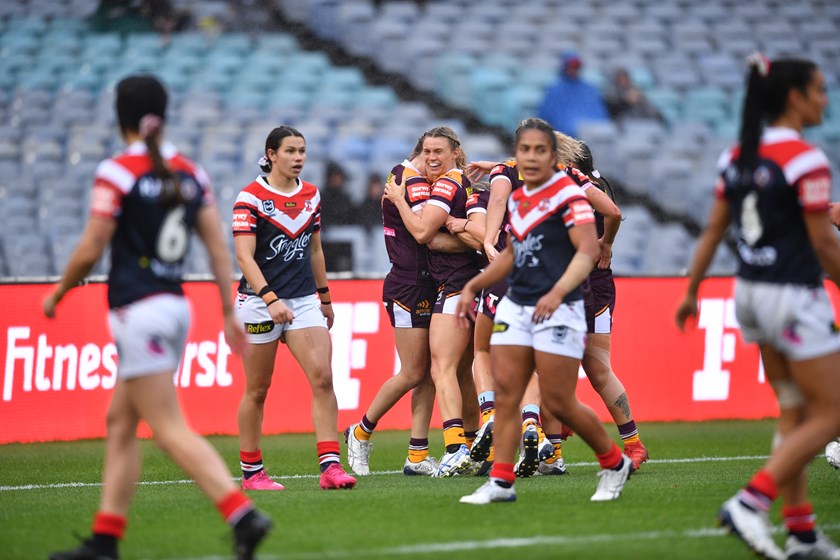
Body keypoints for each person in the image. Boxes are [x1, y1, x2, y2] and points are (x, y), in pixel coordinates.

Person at [43, 75, 272, 560]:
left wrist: (59, 292)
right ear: (163, 115)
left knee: (168, 429)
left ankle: (243, 514)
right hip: (174, 306)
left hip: (137, 310)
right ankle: (105, 540)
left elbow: (90, 247)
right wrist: (227, 309)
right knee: (120, 422)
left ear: (119, 115)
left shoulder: (118, 170)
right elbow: (215, 246)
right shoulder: (190, 172)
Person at [675, 54, 840, 560]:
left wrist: (691, 290)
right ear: (794, 96)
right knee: (832, 414)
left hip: (747, 292)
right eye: (818, 90)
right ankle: (752, 500)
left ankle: (802, 532)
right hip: (791, 296)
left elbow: (712, 228)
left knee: (792, 410)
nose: (824, 99)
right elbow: (822, 244)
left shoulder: (736, 155)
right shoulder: (806, 159)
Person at [457, 118, 632, 505]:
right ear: (514, 156)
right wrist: (475, 284)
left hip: (560, 306)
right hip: (519, 303)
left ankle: (614, 460)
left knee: (558, 401)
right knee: (506, 394)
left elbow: (588, 250)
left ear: (554, 156)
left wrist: (558, 291)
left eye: (540, 150)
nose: (531, 157)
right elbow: (516, 252)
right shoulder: (520, 198)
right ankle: (501, 483)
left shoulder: (570, 194)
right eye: (525, 150)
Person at [233, 126, 356, 491]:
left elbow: (316, 251)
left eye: (302, 150)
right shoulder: (250, 198)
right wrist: (270, 300)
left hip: (303, 301)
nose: (298, 157)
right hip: (259, 303)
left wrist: (325, 297)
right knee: (257, 389)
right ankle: (252, 472)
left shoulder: (312, 195)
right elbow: (244, 256)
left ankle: (331, 467)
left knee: (323, 377)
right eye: (290, 151)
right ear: (271, 154)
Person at [383, 126, 482, 477]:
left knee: (438, 369)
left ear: (456, 152)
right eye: (426, 152)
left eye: (438, 151)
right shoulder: (470, 182)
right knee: (464, 372)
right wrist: (466, 233)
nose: (431, 157)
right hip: (478, 284)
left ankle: (455, 447)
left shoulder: (446, 184)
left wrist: (398, 201)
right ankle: (477, 446)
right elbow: (483, 238)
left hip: (456, 285)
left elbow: (425, 234)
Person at [537, 50, 609, 137]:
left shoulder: (589, 88)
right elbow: (546, 114)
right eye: (571, 66)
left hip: (593, 134)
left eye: (576, 67)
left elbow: (600, 113)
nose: (574, 70)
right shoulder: (555, 89)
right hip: (566, 137)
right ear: (565, 67)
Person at [318, 160, 357, 227]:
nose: (337, 180)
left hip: (345, 233)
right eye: (334, 177)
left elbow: (352, 218)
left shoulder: (346, 198)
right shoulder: (321, 198)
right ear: (329, 178)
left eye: (339, 177)